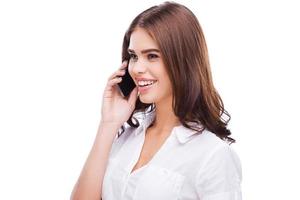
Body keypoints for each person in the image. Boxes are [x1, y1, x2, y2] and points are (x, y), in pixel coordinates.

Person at [71, 1, 242, 200]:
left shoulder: (213, 155)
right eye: (133, 56)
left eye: (152, 56)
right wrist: (108, 124)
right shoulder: (126, 138)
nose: (136, 69)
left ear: (182, 60)